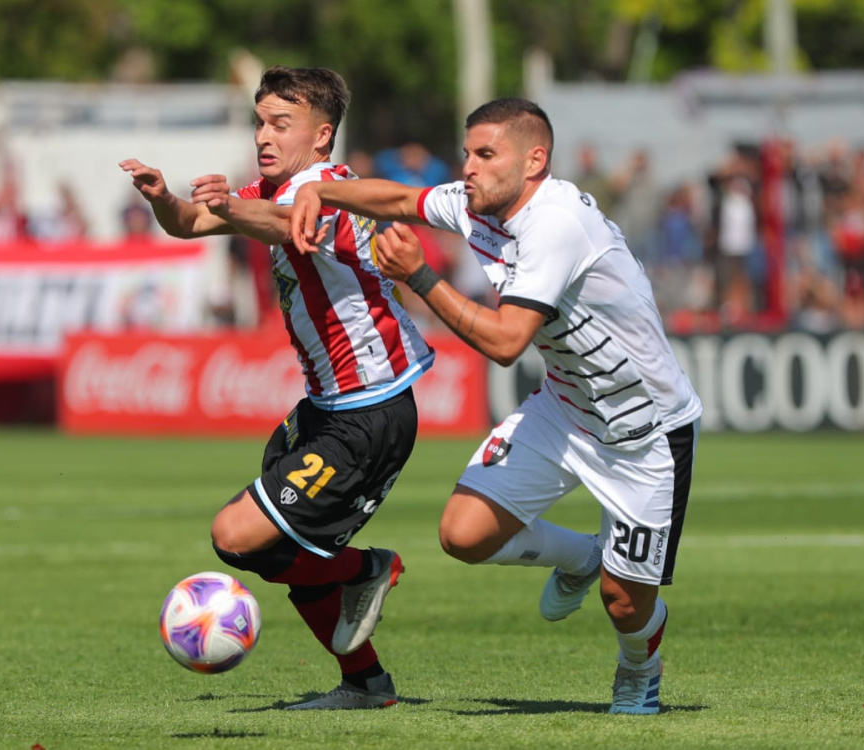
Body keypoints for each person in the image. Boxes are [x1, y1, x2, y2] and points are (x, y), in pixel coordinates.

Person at [291, 97, 703, 715]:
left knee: (624, 601)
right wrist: (320, 193)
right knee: (463, 534)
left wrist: (419, 278)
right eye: (467, 152)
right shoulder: (478, 201)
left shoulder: (556, 223)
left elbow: (507, 344)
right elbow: (400, 201)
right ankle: (583, 556)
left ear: (534, 160)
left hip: (643, 433)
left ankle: (639, 668)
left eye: (486, 154)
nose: (469, 166)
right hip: (566, 409)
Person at [120, 66, 435, 711]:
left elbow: (291, 225)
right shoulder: (270, 188)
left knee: (236, 534)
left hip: (371, 410)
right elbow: (187, 223)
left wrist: (237, 208)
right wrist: (160, 196)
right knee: (273, 554)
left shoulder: (332, 189)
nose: (263, 134)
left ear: (322, 138)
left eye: (279, 123)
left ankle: (367, 569)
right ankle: (366, 685)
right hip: (326, 409)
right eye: (259, 120)